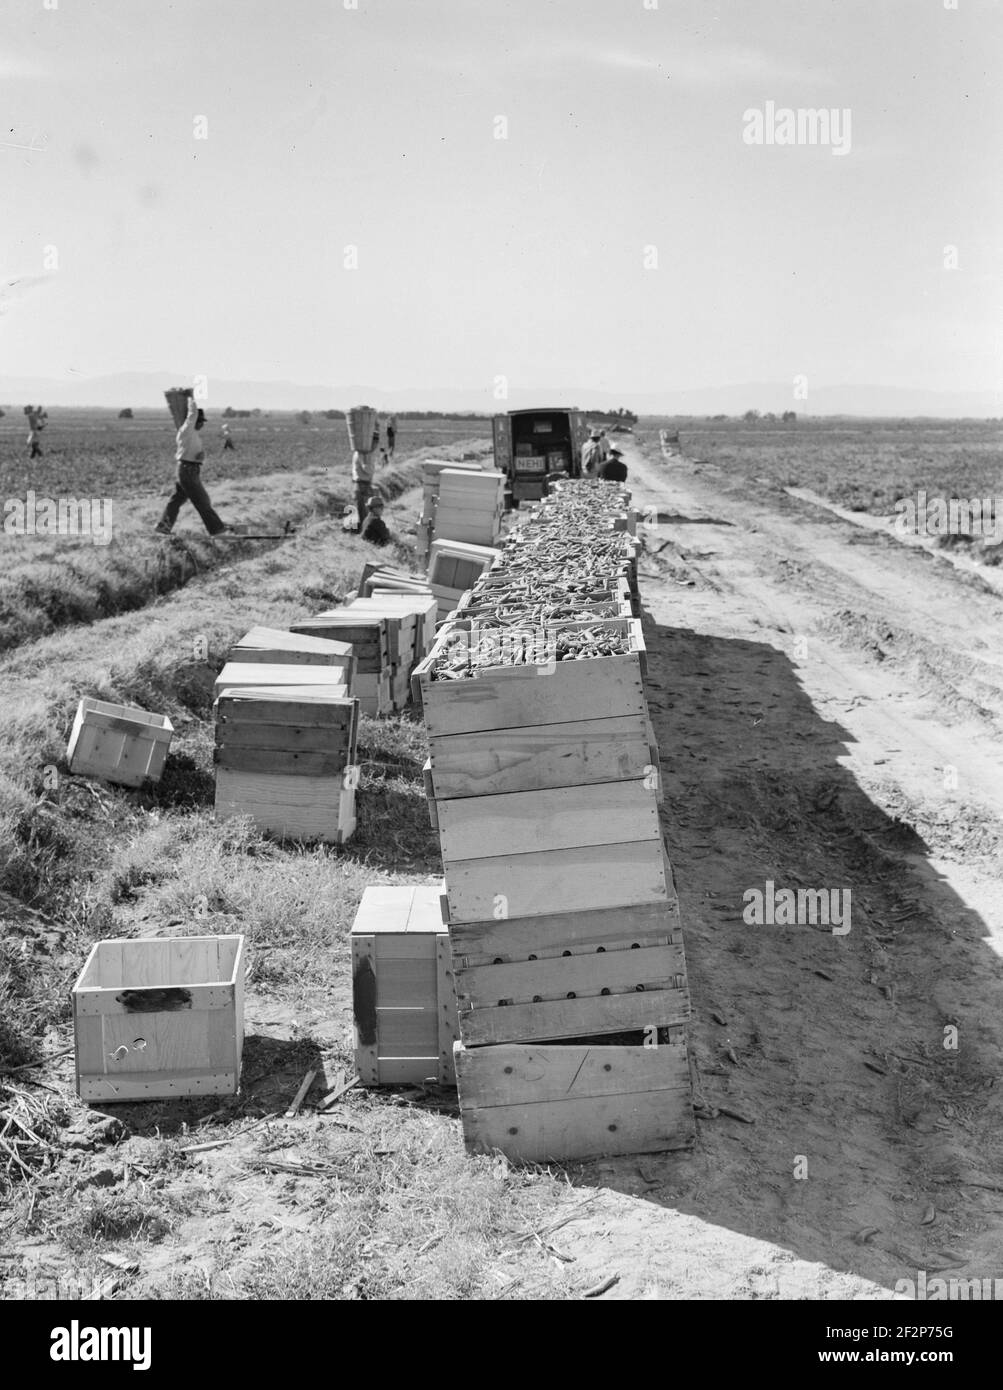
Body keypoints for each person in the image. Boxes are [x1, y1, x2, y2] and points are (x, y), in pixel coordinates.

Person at [155, 395, 230, 536]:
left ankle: (163, 526)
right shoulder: (187, 430)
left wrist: (199, 456)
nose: (202, 424)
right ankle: (217, 529)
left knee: (176, 500)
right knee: (202, 500)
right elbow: (192, 414)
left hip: (188, 470)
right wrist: (190, 397)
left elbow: (191, 452)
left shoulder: (192, 434)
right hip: (187, 471)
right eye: (200, 421)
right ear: (195, 421)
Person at [352, 428, 380, 529]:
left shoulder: (368, 454)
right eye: (374, 443)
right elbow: (367, 469)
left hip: (365, 484)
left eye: (377, 443)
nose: (376, 446)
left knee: (367, 514)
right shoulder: (361, 453)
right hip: (360, 485)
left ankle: (366, 533)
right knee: (363, 515)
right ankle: (363, 535)